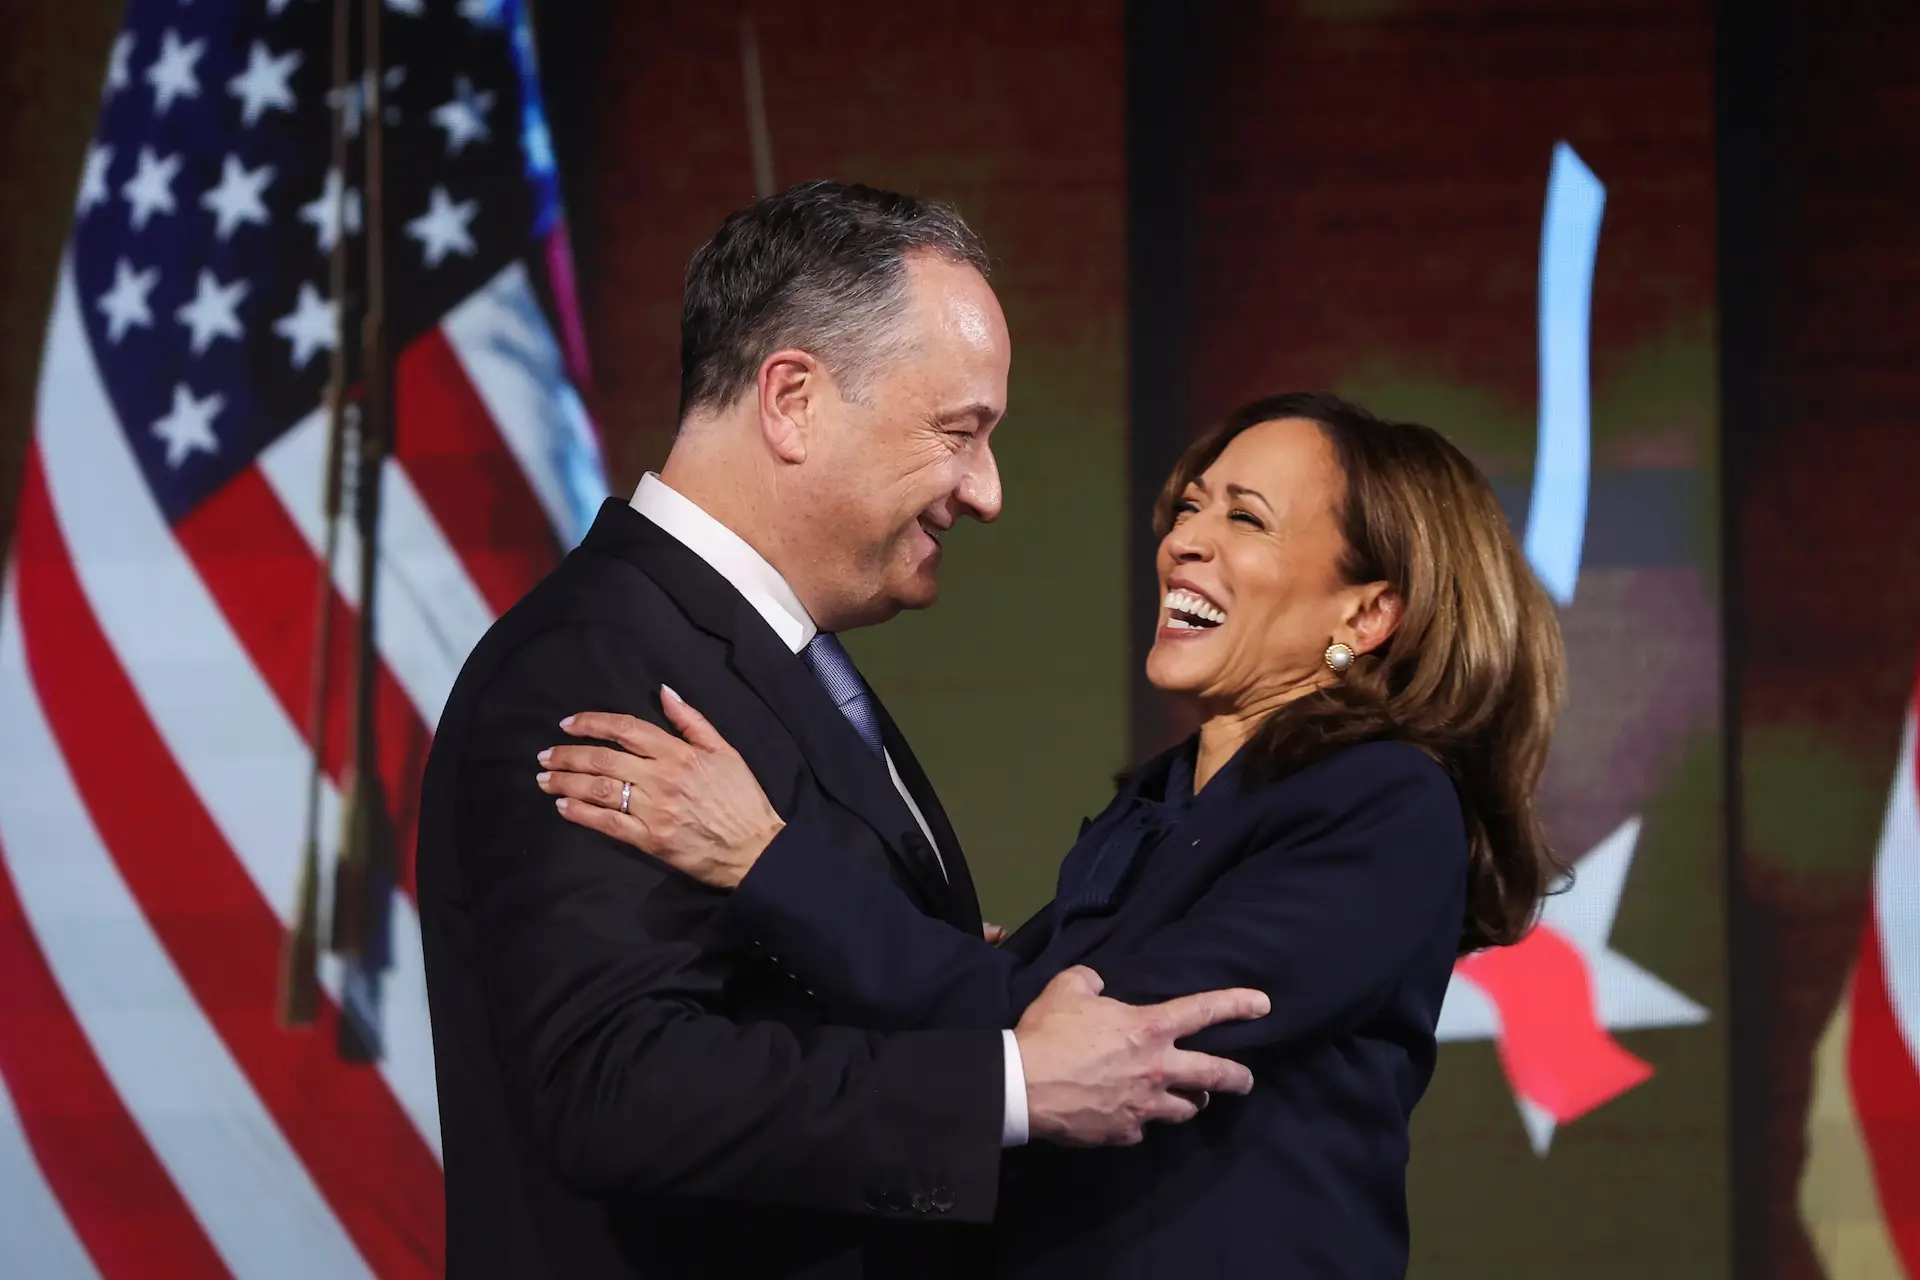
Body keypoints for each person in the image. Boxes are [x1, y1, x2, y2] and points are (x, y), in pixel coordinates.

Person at [416, 181, 1271, 1280]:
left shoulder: (752, 655)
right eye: (959, 432)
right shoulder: (599, 659)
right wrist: (1009, 1084)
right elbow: (614, 1084)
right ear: (793, 400)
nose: (990, 491)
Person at [537, 392, 1569, 1278]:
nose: (1186, 539)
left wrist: (766, 860)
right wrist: (995, 971)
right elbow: (1026, 1017)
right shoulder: (1163, 798)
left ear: (1371, 609)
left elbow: (1097, 1039)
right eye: (1192, 504)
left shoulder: (1384, 804)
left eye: (1246, 518)